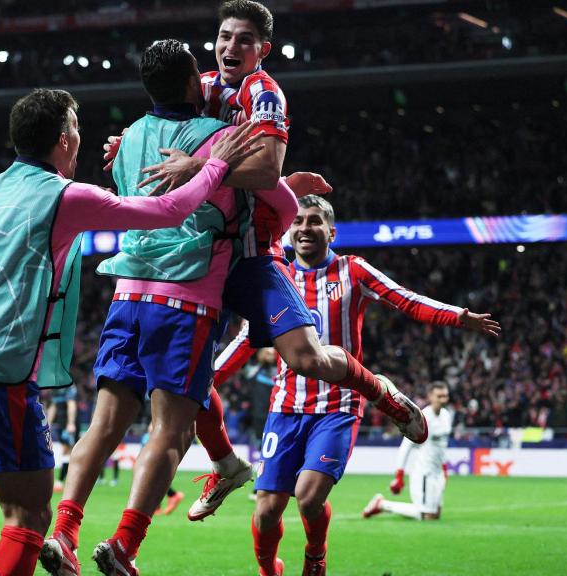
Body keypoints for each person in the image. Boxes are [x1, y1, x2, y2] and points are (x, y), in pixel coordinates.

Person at [0, 87, 260, 576]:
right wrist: (213, 166)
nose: (80, 140)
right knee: (31, 515)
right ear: (64, 140)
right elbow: (168, 212)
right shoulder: (67, 195)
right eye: (77, 130)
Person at [124, 0, 430, 523]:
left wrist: (202, 165)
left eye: (244, 40)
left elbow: (266, 168)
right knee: (189, 383)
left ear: (263, 49)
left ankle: (381, 391)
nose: (230, 48)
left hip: (254, 252)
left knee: (305, 358)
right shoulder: (200, 86)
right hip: (200, 255)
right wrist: (124, 145)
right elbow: (160, 125)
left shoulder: (263, 91)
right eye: (224, 36)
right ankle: (221, 469)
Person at [40, 39, 278, 576]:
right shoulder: (217, 138)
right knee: (170, 430)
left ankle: (64, 532)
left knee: (103, 425)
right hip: (187, 297)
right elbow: (262, 184)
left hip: (128, 293)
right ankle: (123, 546)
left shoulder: (125, 144)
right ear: (196, 79)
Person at [214, 195, 500, 576]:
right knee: (266, 510)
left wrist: (458, 316)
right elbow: (249, 338)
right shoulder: (275, 275)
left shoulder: (354, 271)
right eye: (297, 222)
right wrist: (205, 378)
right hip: (285, 407)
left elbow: (406, 300)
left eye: (314, 221)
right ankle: (269, 569)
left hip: (339, 406)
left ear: (331, 232)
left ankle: (316, 556)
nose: (304, 229)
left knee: (308, 498)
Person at [363, 382, 455, 522]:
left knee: (436, 514)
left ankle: (383, 504)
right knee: (426, 516)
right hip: (425, 471)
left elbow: (442, 446)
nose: (443, 399)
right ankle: (382, 504)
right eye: (439, 396)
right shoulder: (423, 418)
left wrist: (444, 469)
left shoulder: (446, 415)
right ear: (430, 396)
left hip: (438, 472)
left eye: (445, 396)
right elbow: (406, 446)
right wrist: (399, 474)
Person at [45, 386, 78, 493]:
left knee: (68, 451)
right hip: (61, 423)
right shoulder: (55, 389)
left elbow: (71, 405)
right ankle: (67, 481)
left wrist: (71, 423)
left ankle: (60, 481)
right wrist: (47, 424)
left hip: (68, 423)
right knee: (67, 451)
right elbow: (53, 406)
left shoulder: (69, 387)